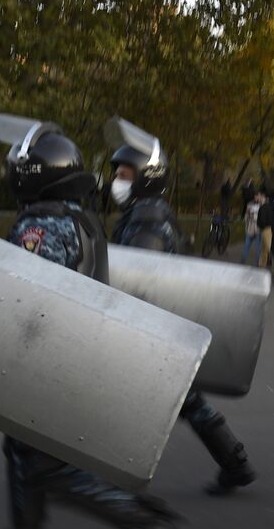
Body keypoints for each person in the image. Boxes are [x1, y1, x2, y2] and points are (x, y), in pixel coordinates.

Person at [0, 122, 181, 529]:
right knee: (22, 446)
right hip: (73, 347)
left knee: (49, 464)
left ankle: (150, 525)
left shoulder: (42, 224)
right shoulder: (79, 216)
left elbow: (25, 290)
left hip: (49, 353)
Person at [109, 120, 258, 497]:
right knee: (189, 400)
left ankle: (118, 480)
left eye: (125, 173)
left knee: (132, 401)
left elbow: (138, 281)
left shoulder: (146, 219)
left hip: (150, 327)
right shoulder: (150, 210)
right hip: (164, 325)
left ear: (145, 177)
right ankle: (235, 463)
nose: (117, 180)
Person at [241, 190, 264, 264]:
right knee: (246, 245)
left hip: (258, 229)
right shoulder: (250, 204)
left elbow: (263, 216)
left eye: (260, 196)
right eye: (257, 196)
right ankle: (243, 260)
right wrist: (248, 218)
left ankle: (257, 262)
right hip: (250, 229)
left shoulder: (264, 205)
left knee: (258, 247)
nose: (258, 198)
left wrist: (254, 215)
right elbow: (246, 216)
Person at [256, 190, 274, 269]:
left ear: (263, 197)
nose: (257, 198)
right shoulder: (269, 206)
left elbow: (262, 220)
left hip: (265, 229)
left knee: (267, 247)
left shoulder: (263, 207)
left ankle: (266, 262)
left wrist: (260, 225)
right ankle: (262, 263)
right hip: (268, 228)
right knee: (265, 247)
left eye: (258, 196)